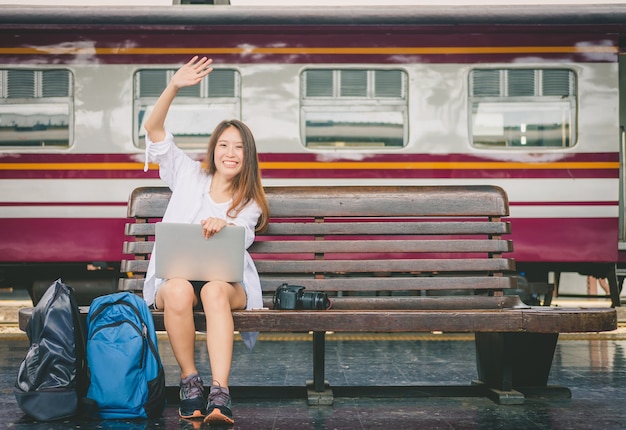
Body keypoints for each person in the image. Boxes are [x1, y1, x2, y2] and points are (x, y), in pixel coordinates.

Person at [142, 56, 269, 426]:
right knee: (179, 290)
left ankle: (220, 390)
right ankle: (190, 382)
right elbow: (153, 128)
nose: (230, 153)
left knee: (214, 290)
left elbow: (244, 234)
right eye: (224, 145)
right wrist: (175, 85)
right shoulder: (187, 174)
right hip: (176, 279)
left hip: (229, 285)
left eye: (239, 148)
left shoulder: (248, 200)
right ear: (213, 149)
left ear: (248, 157)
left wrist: (225, 225)